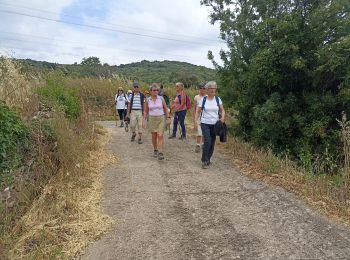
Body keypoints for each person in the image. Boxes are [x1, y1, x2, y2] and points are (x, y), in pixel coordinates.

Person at [195, 81, 225, 169]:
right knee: (207, 140)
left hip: (215, 124)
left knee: (212, 142)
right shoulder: (203, 100)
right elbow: (198, 111)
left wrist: (222, 118)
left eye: (214, 88)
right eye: (211, 88)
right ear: (207, 90)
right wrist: (196, 121)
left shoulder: (217, 99)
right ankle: (204, 160)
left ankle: (208, 159)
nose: (213, 90)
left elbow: (222, 110)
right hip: (205, 123)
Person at [143, 83, 171, 160]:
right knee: (154, 136)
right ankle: (155, 149)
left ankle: (160, 152)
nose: (156, 91)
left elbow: (165, 108)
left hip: (161, 118)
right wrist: (144, 120)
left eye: (157, 90)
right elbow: (145, 111)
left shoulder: (161, 98)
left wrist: (168, 117)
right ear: (151, 91)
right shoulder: (148, 100)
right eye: (154, 90)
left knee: (160, 135)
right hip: (152, 119)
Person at [193, 83, 207, 152]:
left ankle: (203, 144)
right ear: (199, 89)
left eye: (204, 88)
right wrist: (194, 118)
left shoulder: (208, 97)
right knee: (199, 132)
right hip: (198, 117)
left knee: (204, 132)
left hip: (206, 117)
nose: (202, 90)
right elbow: (194, 108)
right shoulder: (196, 97)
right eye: (201, 88)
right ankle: (198, 145)